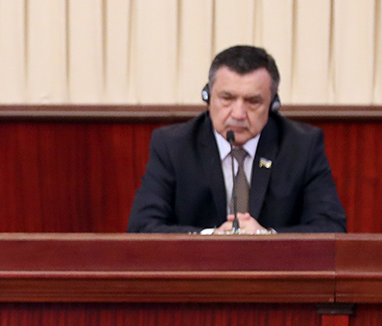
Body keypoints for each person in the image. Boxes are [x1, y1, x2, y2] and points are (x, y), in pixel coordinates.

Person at [127, 45, 347, 234]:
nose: (238, 114)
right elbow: (142, 226)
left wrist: (266, 236)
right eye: (227, 98)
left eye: (253, 101)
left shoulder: (301, 146)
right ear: (207, 96)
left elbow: (331, 227)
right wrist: (209, 236)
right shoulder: (173, 145)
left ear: (273, 103)